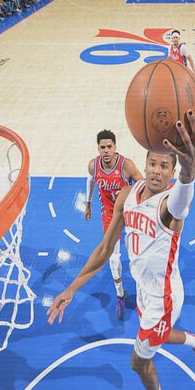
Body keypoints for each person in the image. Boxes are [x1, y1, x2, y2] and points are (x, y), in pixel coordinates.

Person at [48, 106, 195, 390]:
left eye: (164, 166)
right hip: (147, 290)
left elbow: (184, 188)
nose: (155, 170)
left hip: (162, 298)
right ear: (145, 163)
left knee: (139, 361)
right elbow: (105, 248)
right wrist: (70, 289)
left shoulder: (171, 205)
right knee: (157, 337)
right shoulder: (128, 194)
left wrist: (190, 168)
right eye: (152, 163)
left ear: (170, 172)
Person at [85, 130, 143, 319]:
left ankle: (143, 291)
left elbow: (143, 185)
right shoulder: (93, 166)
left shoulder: (126, 166)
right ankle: (120, 294)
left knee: (136, 255)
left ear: (115, 147)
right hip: (110, 214)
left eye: (110, 147)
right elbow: (91, 181)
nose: (106, 151)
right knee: (112, 257)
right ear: (98, 148)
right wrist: (88, 203)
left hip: (130, 211)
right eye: (103, 147)